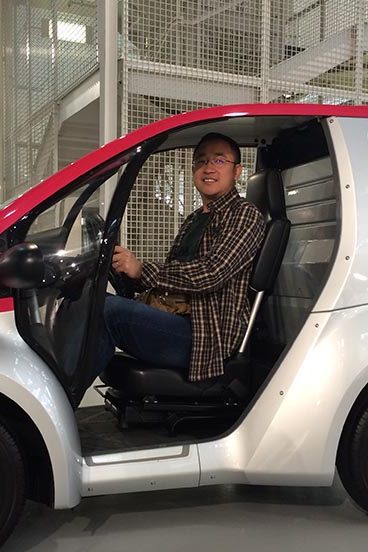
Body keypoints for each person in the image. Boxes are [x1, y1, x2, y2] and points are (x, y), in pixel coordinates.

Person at [97, 132, 266, 382]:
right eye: (201, 161)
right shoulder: (193, 219)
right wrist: (125, 270)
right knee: (92, 301)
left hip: (206, 337)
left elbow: (211, 274)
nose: (208, 168)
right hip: (176, 319)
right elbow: (172, 278)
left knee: (107, 310)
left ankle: (63, 395)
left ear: (237, 171)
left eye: (219, 160)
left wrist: (142, 269)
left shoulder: (244, 214)